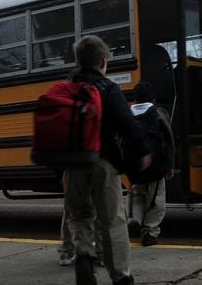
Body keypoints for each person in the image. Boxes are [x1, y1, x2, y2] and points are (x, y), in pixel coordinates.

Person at [63, 35, 151, 285]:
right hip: (103, 161)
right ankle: (121, 276)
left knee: (79, 215)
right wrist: (143, 151)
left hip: (73, 164)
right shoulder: (107, 88)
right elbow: (128, 124)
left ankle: (83, 253)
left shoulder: (66, 88)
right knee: (112, 219)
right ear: (103, 60)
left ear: (78, 60)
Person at [127, 81, 175, 247]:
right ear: (153, 98)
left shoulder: (128, 114)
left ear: (135, 98)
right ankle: (150, 232)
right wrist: (169, 165)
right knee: (156, 200)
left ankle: (135, 218)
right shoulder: (158, 113)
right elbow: (168, 140)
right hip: (155, 166)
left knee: (138, 195)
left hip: (135, 168)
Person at [58, 171, 104, 267]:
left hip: (75, 163)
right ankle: (102, 252)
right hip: (96, 162)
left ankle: (69, 250)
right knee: (101, 207)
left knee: (73, 210)